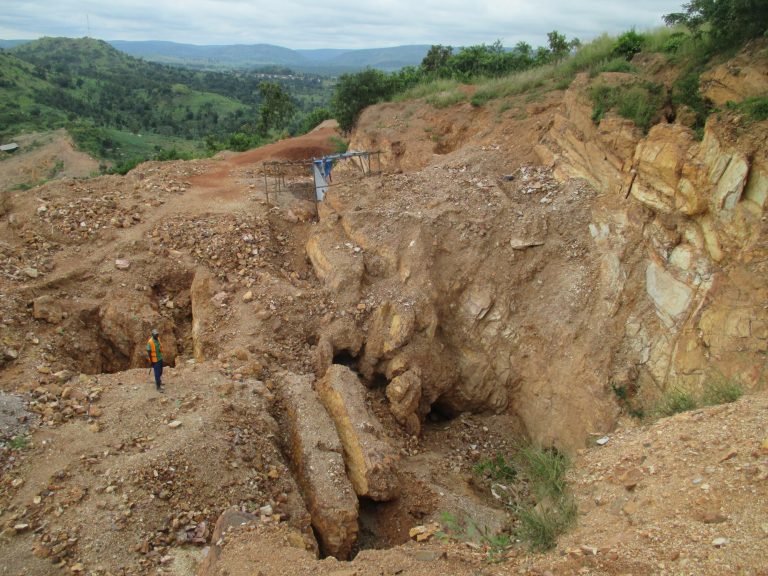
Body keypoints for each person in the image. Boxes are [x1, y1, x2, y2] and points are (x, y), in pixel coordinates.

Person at [146, 328, 165, 392]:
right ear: (152, 335)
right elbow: (148, 352)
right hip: (155, 360)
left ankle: (158, 381)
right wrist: (151, 361)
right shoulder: (150, 342)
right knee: (157, 373)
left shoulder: (158, 339)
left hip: (160, 358)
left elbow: (159, 347)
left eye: (157, 334)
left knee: (160, 371)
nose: (157, 335)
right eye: (155, 334)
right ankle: (158, 387)